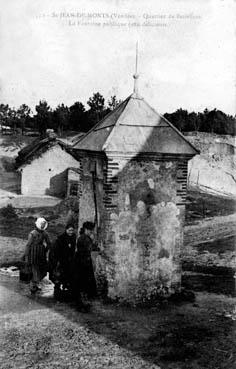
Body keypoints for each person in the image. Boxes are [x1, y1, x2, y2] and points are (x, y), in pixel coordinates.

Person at [72, 221, 98, 310]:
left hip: (83, 261)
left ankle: (82, 302)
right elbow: (88, 249)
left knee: (83, 282)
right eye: (90, 230)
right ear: (86, 229)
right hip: (82, 262)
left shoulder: (85, 238)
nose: (92, 231)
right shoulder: (84, 238)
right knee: (83, 282)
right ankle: (81, 303)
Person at [49, 224, 76, 300]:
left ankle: (65, 291)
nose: (71, 232)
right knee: (59, 277)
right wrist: (57, 261)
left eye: (72, 230)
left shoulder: (73, 238)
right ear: (66, 230)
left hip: (69, 261)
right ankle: (57, 293)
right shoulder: (61, 239)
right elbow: (56, 251)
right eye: (69, 230)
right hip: (61, 261)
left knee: (67, 277)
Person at [24, 217, 50, 294]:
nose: (42, 226)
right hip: (33, 253)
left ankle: (35, 284)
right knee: (34, 269)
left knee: (41, 270)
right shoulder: (32, 233)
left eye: (44, 224)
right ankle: (33, 286)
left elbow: (49, 243)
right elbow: (28, 245)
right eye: (41, 224)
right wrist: (26, 255)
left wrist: (45, 249)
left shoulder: (45, 233)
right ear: (38, 224)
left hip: (41, 253)